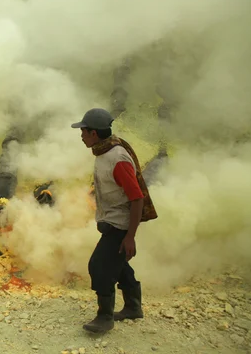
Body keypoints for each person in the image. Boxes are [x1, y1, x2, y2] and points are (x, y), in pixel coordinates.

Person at [71, 108, 157, 333]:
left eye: (83, 131)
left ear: (93, 133)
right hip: (113, 221)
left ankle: (104, 316)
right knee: (118, 265)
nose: (81, 136)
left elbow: (136, 198)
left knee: (99, 266)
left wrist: (130, 237)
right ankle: (133, 307)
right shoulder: (104, 151)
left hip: (120, 225)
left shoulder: (116, 158)